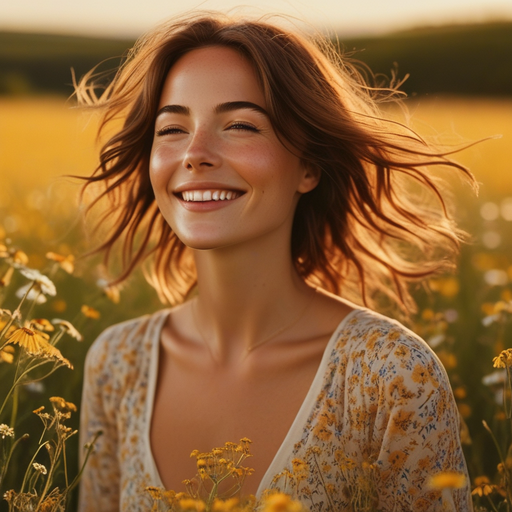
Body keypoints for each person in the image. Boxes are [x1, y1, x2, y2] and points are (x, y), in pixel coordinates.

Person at [76, 13, 475, 512]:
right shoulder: (117, 364)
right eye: (172, 128)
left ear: (308, 166)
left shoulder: (391, 375)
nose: (195, 154)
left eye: (240, 125)